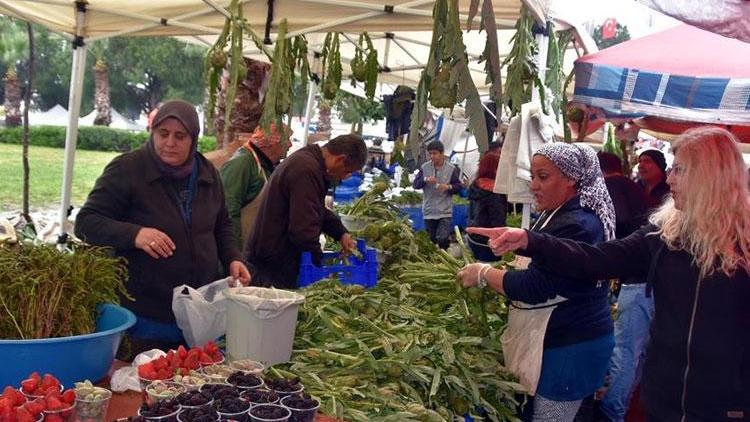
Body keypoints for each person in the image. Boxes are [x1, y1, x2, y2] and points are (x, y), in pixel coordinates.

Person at [475, 127, 750, 421]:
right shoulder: (666, 234)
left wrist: (486, 271)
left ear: (710, 176)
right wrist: (531, 241)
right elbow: (598, 259)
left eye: (680, 170)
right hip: (664, 397)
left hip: (725, 405)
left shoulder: (743, 247)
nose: (669, 179)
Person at [75, 100, 251, 355]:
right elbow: (87, 222)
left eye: (180, 136)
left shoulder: (207, 173)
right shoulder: (127, 169)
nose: (170, 142)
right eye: (163, 134)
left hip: (198, 311)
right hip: (145, 314)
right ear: (152, 132)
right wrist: (135, 234)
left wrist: (233, 257)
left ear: (193, 139)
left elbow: (221, 223)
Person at [458, 143, 616, 421]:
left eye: (543, 177)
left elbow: (536, 287)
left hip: (571, 345)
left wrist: (483, 274)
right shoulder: (561, 212)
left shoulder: (579, 223)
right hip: (568, 339)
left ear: (571, 179)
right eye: (532, 176)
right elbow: (546, 255)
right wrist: (516, 245)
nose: (534, 185)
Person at [245, 134, 367, 289]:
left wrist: (341, 233)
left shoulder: (310, 163)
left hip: (273, 261)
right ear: (340, 159)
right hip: (270, 267)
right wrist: (318, 268)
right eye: (347, 171)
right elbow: (303, 230)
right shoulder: (306, 169)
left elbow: (315, 209)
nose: (344, 177)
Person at [596, 151, 651, 422]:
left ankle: (612, 413)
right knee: (635, 352)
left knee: (625, 350)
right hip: (646, 280)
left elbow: (617, 224)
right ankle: (623, 406)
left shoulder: (613, 186)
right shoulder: (634, 187)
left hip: (636, 281)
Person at [220, 123, 291, 249]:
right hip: (239, 254)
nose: (290, 145)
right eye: (287, 140)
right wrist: (233, 254)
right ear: (271, 142)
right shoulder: (242, 163)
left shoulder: (267, 166)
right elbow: (227, 211)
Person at [413, 140, 462, 249]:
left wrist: (448, 187)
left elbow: (458, 187)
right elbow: (415, 185)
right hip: (429, 210)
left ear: (442, 153)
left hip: (444, 211)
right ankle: (434, 262)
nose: (432, 156)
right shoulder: (424, 167)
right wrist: (425, 180)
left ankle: (444, 254)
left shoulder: (451, 169)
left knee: (442, 238)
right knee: (431, 240)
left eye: (435, 153)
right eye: (430, 153)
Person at [467, 151, 507, 262]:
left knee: (479, 266)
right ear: (495, 169)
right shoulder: (494, 191)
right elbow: (498, 220)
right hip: (488, 240)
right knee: (488, 271)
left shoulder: (475, 185)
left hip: (473, 236)